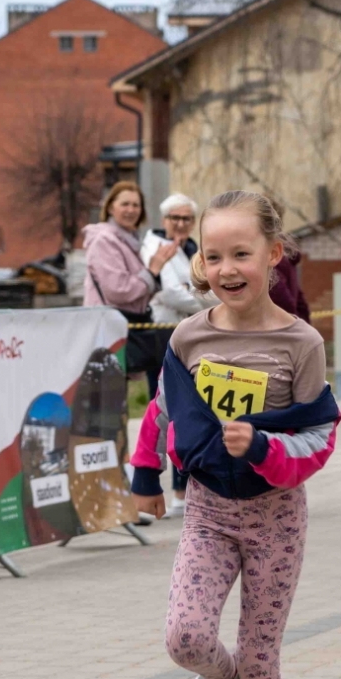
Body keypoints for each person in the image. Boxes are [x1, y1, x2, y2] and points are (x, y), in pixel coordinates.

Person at [130, 190, 340, 679]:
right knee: (183, 637)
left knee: (260, 656)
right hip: (209, 514)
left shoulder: (301, 343)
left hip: (276, 518)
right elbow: (163, 411)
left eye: (241, 253)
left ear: (273, 255)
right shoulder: (189, 336)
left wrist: (268, 447)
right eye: (213, 255)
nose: (226, 268)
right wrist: (144, 474)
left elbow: (320, 435)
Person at [140, 193, 217, 518]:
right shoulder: (154, 245)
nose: (181, 224)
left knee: (192, 411)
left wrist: (197, 294)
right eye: (175, 218)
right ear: (164, 220)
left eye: (187, 219)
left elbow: (206, 286)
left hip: (192, 332)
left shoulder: (191, 250)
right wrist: (203, 299)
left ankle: (183, 492)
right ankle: (153, 486)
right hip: (163, 332)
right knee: (164, 411)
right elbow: (170, 290)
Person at [83, 181, 172, 378]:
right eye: (125, 204)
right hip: (106, 332)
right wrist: (152, 272)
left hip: (120, 329)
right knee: (108, 395)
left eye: (136, 205)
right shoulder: (104, 241)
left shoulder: (129, 241)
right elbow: (118, 289)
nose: (131, 210)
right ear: (111, 207)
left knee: (116, 393)